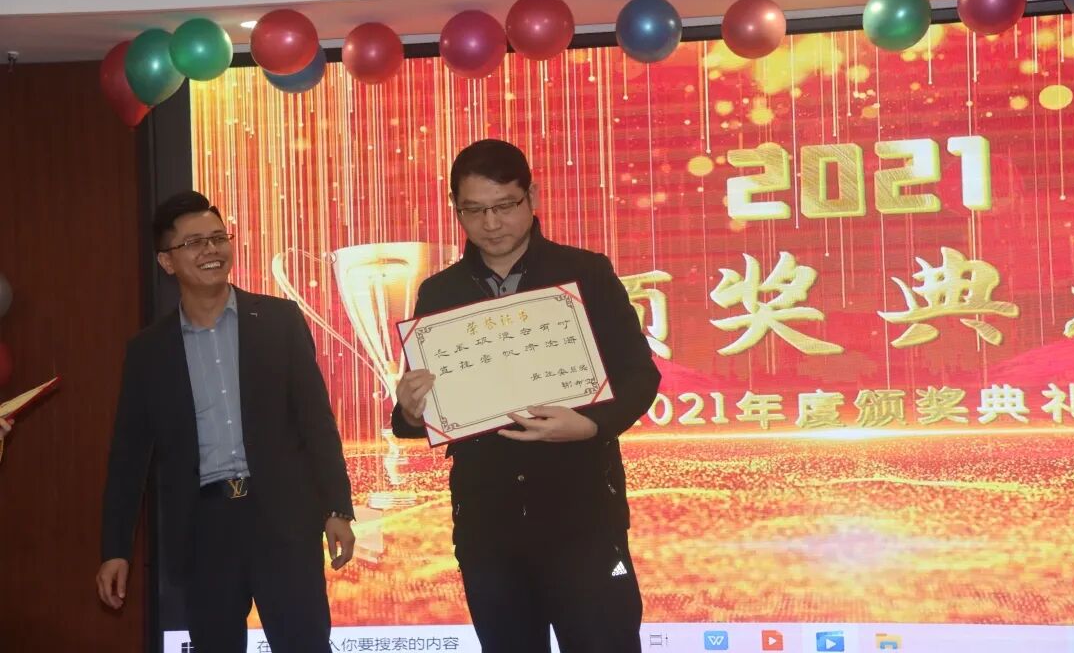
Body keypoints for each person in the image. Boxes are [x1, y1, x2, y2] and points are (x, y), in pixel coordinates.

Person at [392, 139, 661, 653]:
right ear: (456, 209)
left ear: (531, 197)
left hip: (582, 516)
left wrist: (590, 425)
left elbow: (638, 376)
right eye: (474, 210)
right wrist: (409, 409)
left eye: (504, 205)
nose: (491, 223)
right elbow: (424, 411)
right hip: (487, 525)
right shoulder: (439, 292)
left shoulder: (586, 273)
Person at [96, 191, 356, 653]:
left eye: (218, 238)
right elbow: (128, 457)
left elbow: (316, 421)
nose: (211, 250)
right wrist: (115, 549)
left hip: (282, 519)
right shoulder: (149, 352)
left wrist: (337, 507)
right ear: (167, 261)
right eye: (194, 242)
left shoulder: (278, 320)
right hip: (204, 528)